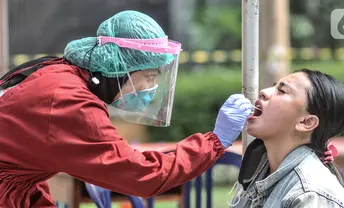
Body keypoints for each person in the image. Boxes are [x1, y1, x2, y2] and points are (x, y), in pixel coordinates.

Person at [0, 11, 253, 207]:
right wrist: (213, 141)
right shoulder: (71, 104)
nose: (152, 87)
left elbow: (21, 171)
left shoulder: (61, 76)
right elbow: (142, 175)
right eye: (150, 76)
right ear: (121, 69)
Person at [229, 68, 344, 208]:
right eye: (274, 86)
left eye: (282, 91)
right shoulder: (255, 174)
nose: (264, 91)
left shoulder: (312, 194)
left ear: (306, 123)